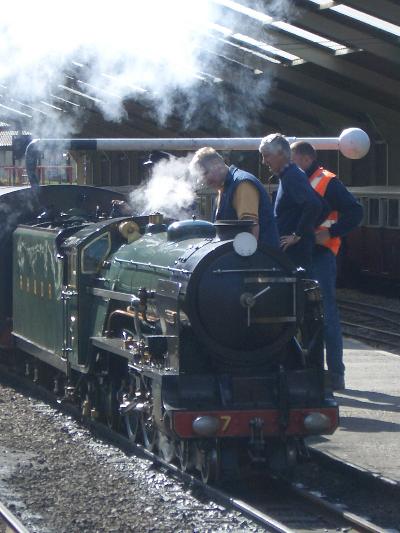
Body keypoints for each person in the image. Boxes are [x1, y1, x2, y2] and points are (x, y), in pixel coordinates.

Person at [291, 141, 363, 391]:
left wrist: (331, 233)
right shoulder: (297, 180)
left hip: (321, 255)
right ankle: (311, 370)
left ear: (305, 158)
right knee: (303, 315)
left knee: (327, 315)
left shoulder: (327, 181)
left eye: (292, 159)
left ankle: (335, 373)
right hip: (301, 255)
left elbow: (355, 212)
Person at [258, 133, 324, 274]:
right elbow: (321, 204)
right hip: (293, 251)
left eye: (266, 155)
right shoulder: (289, 175)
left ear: (281, 153)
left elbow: (314, 205)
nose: (264, 161)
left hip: (295, 254)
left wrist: (297, 235)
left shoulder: (292, 176)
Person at [188, 147, 279, 247]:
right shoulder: (223, 188)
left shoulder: (242, 184)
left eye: (205, 174)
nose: (204, 180)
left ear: (216, 164)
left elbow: (251, 228)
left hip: (259, 258)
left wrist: (247, 261)